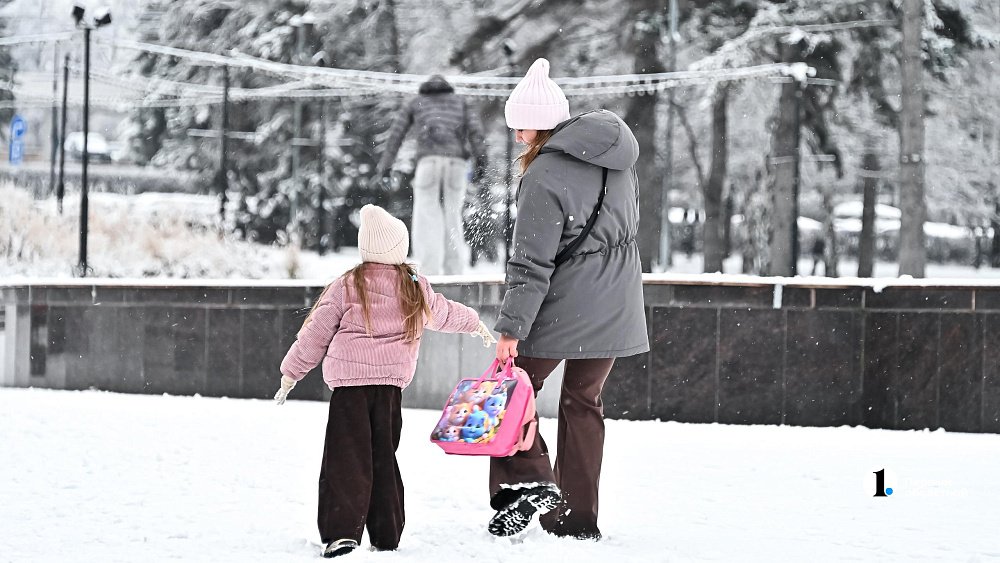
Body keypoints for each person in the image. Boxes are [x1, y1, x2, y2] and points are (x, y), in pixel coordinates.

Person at [274, 204, 496, 558]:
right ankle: (386, 531)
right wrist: (475, 323)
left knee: (346, 458)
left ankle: (341, 532)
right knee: (382, 456)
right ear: (398, 248)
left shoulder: (347, 284)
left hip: (349, 389)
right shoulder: (412, 285)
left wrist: (291, 372)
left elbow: (315, 333)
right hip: (389, 389)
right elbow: (443, 312)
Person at [488, 58, 649, 540]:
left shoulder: (544, 175)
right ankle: (577, 520)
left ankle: (529, 482)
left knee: (509, 392)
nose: (518, 136)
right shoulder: (620, 164)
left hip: (566, 305)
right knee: (584, 403)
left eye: (521, 125)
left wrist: (511, 328)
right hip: (618, 303)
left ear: (541, 121)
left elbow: (531, 262)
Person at [373, 74, 489, 275]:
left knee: (427, 216)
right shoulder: (460, 102)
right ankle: (454, 272)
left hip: (428, 162)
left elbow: (396, 135)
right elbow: (476, 132)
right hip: (456, 163)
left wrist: (385, 166)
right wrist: (481, 163)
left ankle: (430, 271)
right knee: (453, 215)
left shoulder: (416, 102)